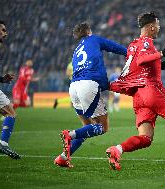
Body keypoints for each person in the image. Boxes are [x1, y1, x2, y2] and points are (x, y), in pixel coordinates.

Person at [106, 12, 165, 171]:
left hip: (139, 96)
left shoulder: (133, 45)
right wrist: (163, 52)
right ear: (151, 27)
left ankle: (117, 149)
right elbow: (142, 60)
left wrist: (157, 64)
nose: (159, 28)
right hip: (151, 91)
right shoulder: (147, 42)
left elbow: (137, 65)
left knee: (145, 138)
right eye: (158, 25)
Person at [54, 21, 127, 168]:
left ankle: (63, 157)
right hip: (88, 85)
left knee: (86, 128)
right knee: (102, 127)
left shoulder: (76, 49)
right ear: (89, 31)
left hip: (73, 87)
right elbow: (114, 47)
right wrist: (130, 53)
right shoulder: (94, 39)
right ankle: (70, 134)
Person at [0, 20, 20, 159]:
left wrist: (1, 79)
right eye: (3, 30)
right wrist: (0, 79)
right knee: (10, 113)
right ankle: (3, 144)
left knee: (10, 111)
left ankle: (3, 144)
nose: (5, 33)